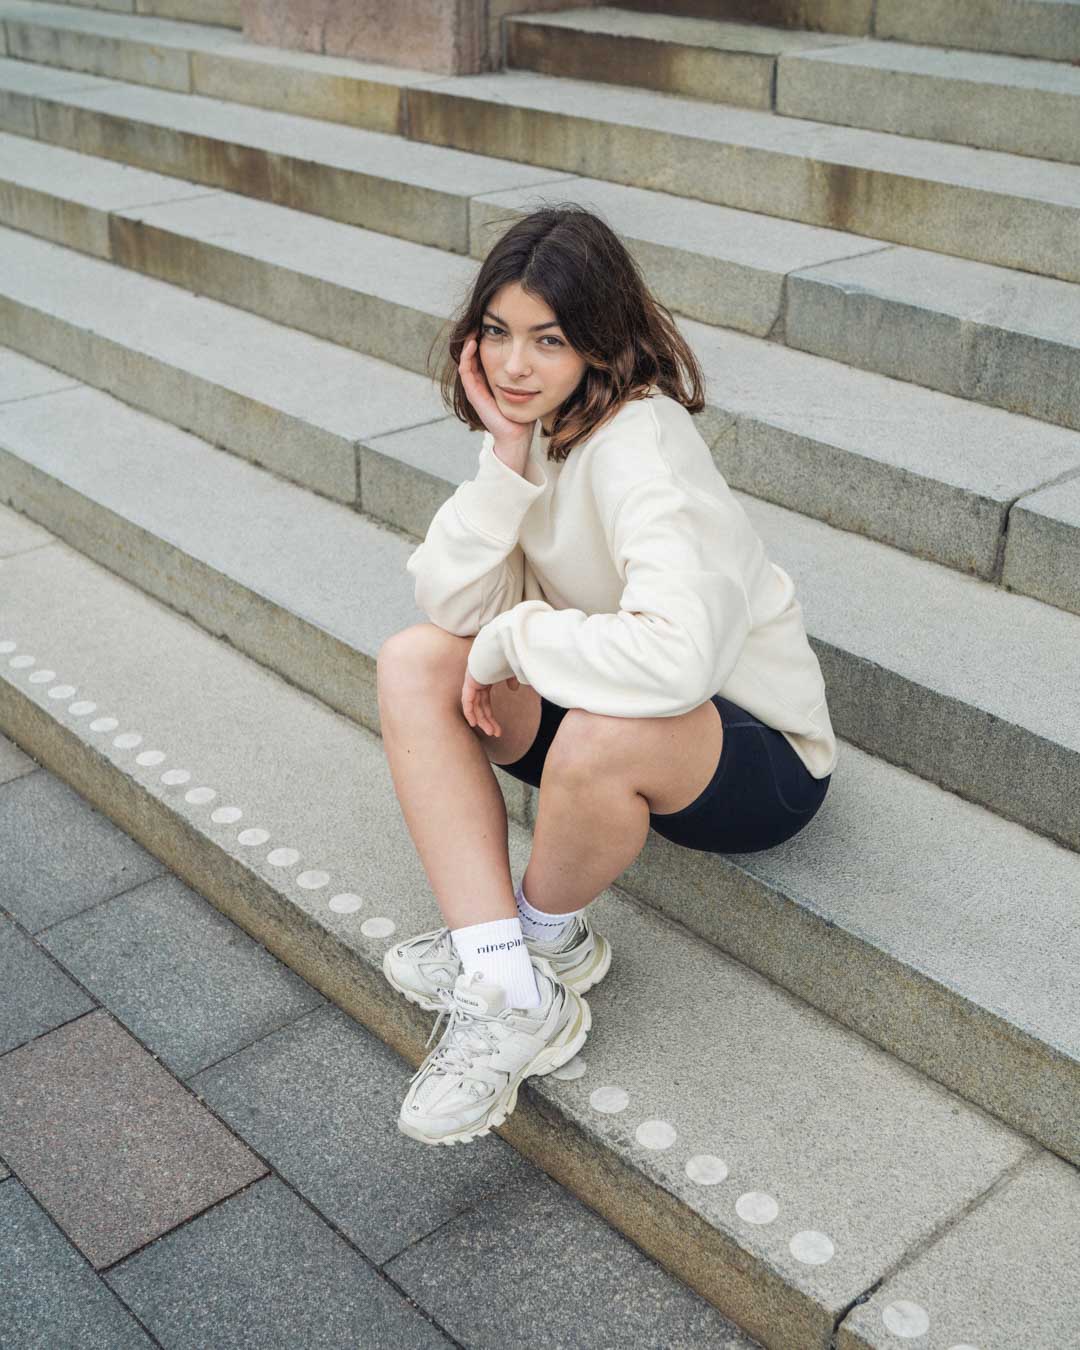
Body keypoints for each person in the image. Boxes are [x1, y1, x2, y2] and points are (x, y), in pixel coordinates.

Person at [376, 205, 838, 1147]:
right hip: (612, 706)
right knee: (416, 660)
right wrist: (503, 471)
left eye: (547, 340)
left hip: (752, 756)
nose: (513, 366)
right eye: (498, 334)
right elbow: (449, 605)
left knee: (592, 731)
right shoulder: (533, 429)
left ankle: (540, 938)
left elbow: (677, 661)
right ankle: (507, 969)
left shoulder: (644, 446)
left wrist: (520, 638)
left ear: (597, 339)